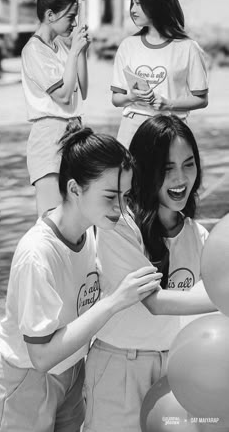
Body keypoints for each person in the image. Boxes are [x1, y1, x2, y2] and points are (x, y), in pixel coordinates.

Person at [0, 122, 161, 432]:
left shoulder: (92, 234)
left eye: (125, 196)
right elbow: (41, 356)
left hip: (72, 373)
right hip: (28, 381)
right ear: (74, 189)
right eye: (111, 196)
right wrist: (114, 302)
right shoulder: (37, 254)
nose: (121, 208)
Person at [83, 115, 217, 432]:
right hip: (120, 369)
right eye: (167, 168)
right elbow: (154, 302)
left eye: (189, 164)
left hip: (178, 370)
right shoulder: (119, 226)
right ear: (144, 169)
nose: (181, 178)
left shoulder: (197, 236)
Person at [111, 0, 209, 147]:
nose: (133, 9)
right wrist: (132, 96)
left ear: (157, 4)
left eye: (139, 3)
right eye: (132, 3)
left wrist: (168, 103)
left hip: (171, 129)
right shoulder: (128, 46)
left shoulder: (188, 48)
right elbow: (116, 98)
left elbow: (201, 99)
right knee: (130, 174)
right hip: (132, 128)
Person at [21, 0, 90, 216]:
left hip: (73, 131)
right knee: (53, 216)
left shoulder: (61, 46)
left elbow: (82, 88)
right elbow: (62, 95)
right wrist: (72, 54)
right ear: (50, 15)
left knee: (76, 215)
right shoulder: (34, 50)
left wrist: (79, 51)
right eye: (70, 17)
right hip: (49, 135)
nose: (74, 23)